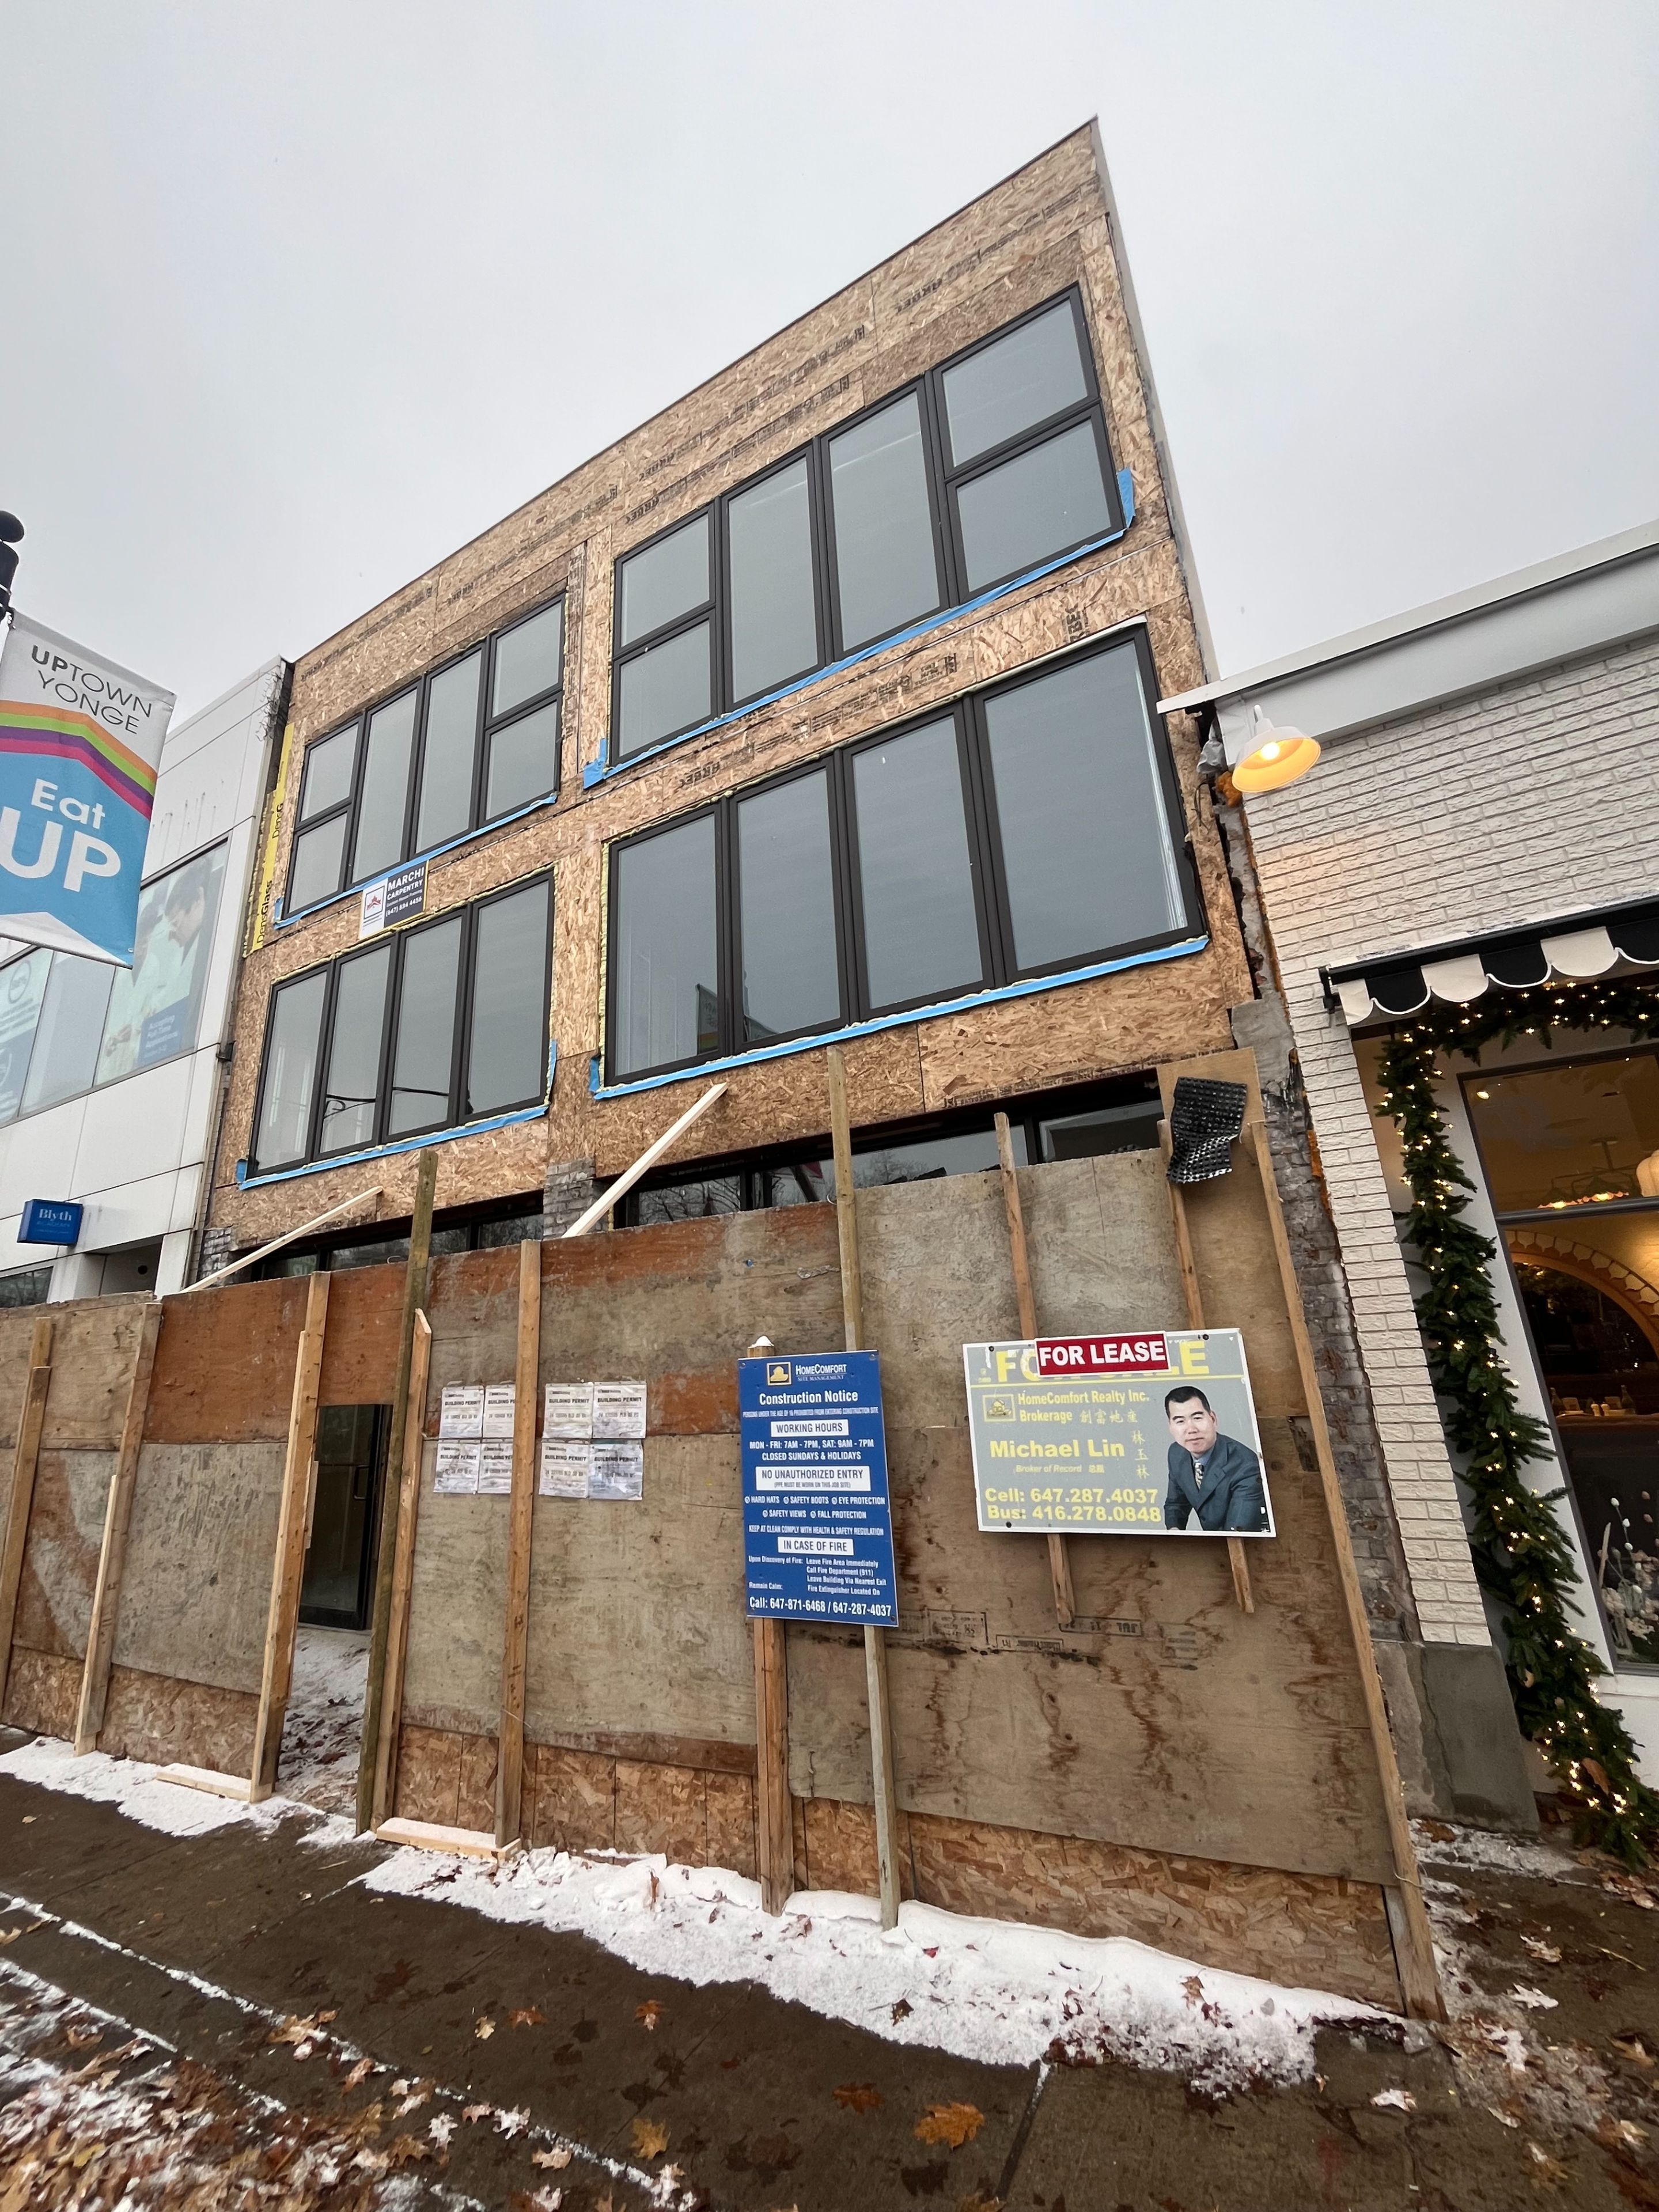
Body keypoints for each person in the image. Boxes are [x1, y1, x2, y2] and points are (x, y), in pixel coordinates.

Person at [1162, 1385, 1268, 1533]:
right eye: (1180, 1421)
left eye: (1197, 1418)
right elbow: (1176, 1505)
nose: (1191, 1429)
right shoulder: (1176, 1453)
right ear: (1171, 1427)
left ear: (1213, 1419)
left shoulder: (1246, 1466)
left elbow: (1238, 1531)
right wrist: (1175, 1534)